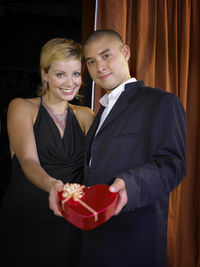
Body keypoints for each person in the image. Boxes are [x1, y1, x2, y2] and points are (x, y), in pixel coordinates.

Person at [79, 29, 186, 266]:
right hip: (94, 242)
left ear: (125, 52)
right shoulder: (100, 113)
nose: (99, 66)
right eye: (91, 61)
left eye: (106, 56)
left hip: (133, 241)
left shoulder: (161, 102)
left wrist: (130, 184)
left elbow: (173, 165)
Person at [0, 38, 94, 267]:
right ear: (45, 74)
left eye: (76, 74)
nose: (70, 83)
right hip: (27, 219)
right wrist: (53, 185)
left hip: (70, 221)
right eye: (60, 74)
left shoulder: (86, 115)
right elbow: (29, 161)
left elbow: (96, 166)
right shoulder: (22, 107)